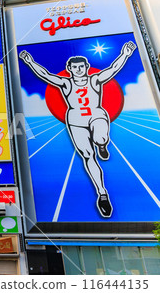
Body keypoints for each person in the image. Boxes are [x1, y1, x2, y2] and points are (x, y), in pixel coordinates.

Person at [19, 41, 137, 218]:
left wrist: (125, 54)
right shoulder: (66, 84)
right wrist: (30, 62)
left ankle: (102, 144)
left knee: (99, 137)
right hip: (75, 120)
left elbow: (113, 69)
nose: (79, 70)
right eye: (75, 67)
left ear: (86, 67)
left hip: (96, 114)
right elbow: (46, 75)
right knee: (88, 156)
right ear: (70, 69)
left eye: (82, 67)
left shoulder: (95, 80)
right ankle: (102, 194)